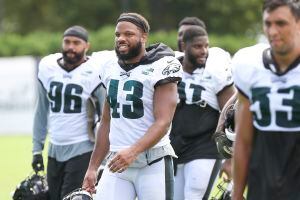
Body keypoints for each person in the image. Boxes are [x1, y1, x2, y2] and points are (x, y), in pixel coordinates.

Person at [82, 12, 183, 200]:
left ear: (144, 36)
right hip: (117, 162)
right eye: (118, 34)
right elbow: (106, 121)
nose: (121, 38)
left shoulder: (162, 65)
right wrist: (93, 167)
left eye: (128, 34)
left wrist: (133, 151)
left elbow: (163, 122)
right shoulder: (109, 67)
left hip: (152, 161)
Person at [232, 0, 300, 199]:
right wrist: (236, 193)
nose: (272, 31)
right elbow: (243, 141)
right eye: (268, 23)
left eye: (281, 23)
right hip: (263, 182)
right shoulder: (249, 66)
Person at [31, 25, 107, 200]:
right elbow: (41, 111)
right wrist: (37, 149)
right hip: (54, 149)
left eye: (76, 43)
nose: (71, 47)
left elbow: (106, 117)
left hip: (82, 148)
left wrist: (103, 158)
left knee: (71, 198)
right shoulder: (48, 67)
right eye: (67, 42)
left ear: (87, 46)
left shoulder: (95, 70)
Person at [170, 26, 236, 200]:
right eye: (198, 46)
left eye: (206, 46)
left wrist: (230, 159)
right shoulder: (171, 66)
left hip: (204, 146)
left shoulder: (215, 71)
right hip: (176, 145)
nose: (204, 51)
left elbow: (232, 115)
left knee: (194, 195)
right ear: (184, 46)